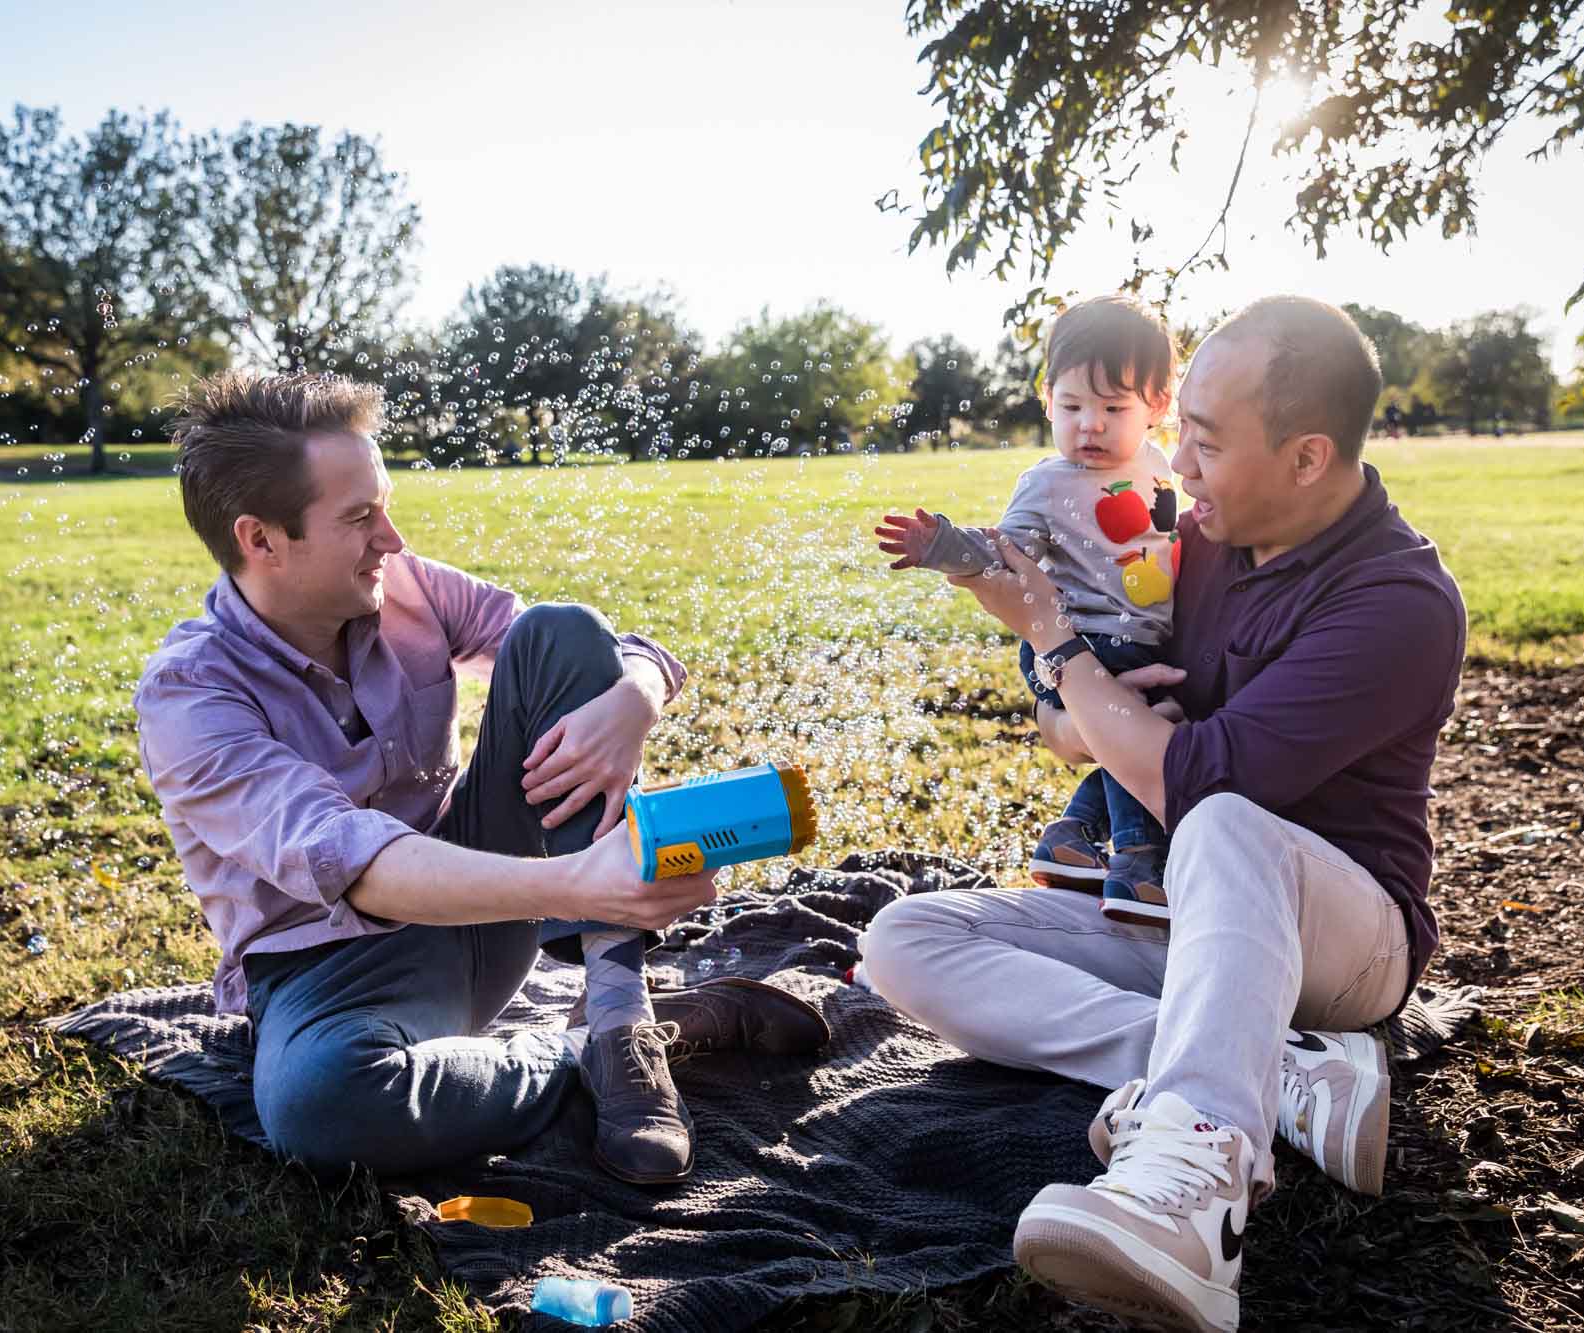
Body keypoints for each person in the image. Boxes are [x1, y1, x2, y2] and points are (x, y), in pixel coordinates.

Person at [858, 297, 1466, 1332]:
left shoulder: (1396, 602)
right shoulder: (1200, 542)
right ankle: (1275, 1076)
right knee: (904, 937)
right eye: (1177, 425)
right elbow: (1075, 736)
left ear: (1307, 457)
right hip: (1186, 913)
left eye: (1204, 440)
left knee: (1224, 819)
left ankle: (1191, 1188)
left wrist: (1052, 635)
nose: (1173, 461)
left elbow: (1186, 782)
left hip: (1343, 935)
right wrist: (1080, 676)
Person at [132, 370, 827, 1185]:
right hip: (330, 974)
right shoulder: (190, 696)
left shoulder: (408, 586)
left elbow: (577, 647)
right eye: (359, 517)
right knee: (321, 1107)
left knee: (558, 630)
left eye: (384, 504)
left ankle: (619, 1019)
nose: (389, 537)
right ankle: (588, 1049)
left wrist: (634, 695)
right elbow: (355, 861)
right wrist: (575, 884)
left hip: (484, 902)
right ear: (261, 539)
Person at [874, 295, 1181, 926]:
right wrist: (941, 546)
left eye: (1112, 408)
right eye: (1071, 407)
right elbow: (1002, 551)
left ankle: (1071, 838)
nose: (1089, 425)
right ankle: (1137, 861)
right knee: (1129, 724)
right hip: (1076, 639)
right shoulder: (1048, 484)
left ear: (1157, 406)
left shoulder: (1160, 466)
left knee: (1143, 734)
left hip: (1141, 636)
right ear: (1047, 400)